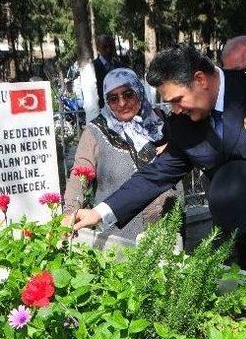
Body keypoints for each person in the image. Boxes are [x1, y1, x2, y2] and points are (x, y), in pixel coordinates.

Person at [71, 45, 246, 295]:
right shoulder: (184, 123)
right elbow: (156, 174)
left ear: (200, 80)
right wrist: (99, 212)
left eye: (176, 99)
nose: (174, 110)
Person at [62, 68, 179, 240]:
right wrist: (69, 214)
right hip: (122, 229)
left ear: (139, 91)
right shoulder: (95, 131)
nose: (122, 103)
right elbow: (80, 173)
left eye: (128, 94)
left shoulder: (159, 121)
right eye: (113, 98)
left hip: (167, 221)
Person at [93, 35, 121, 109]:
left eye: (111, 46)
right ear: (98, 48)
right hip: (102, 109)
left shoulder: (120, 66)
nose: (108, 50)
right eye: (104, 47)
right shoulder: (93, 68)